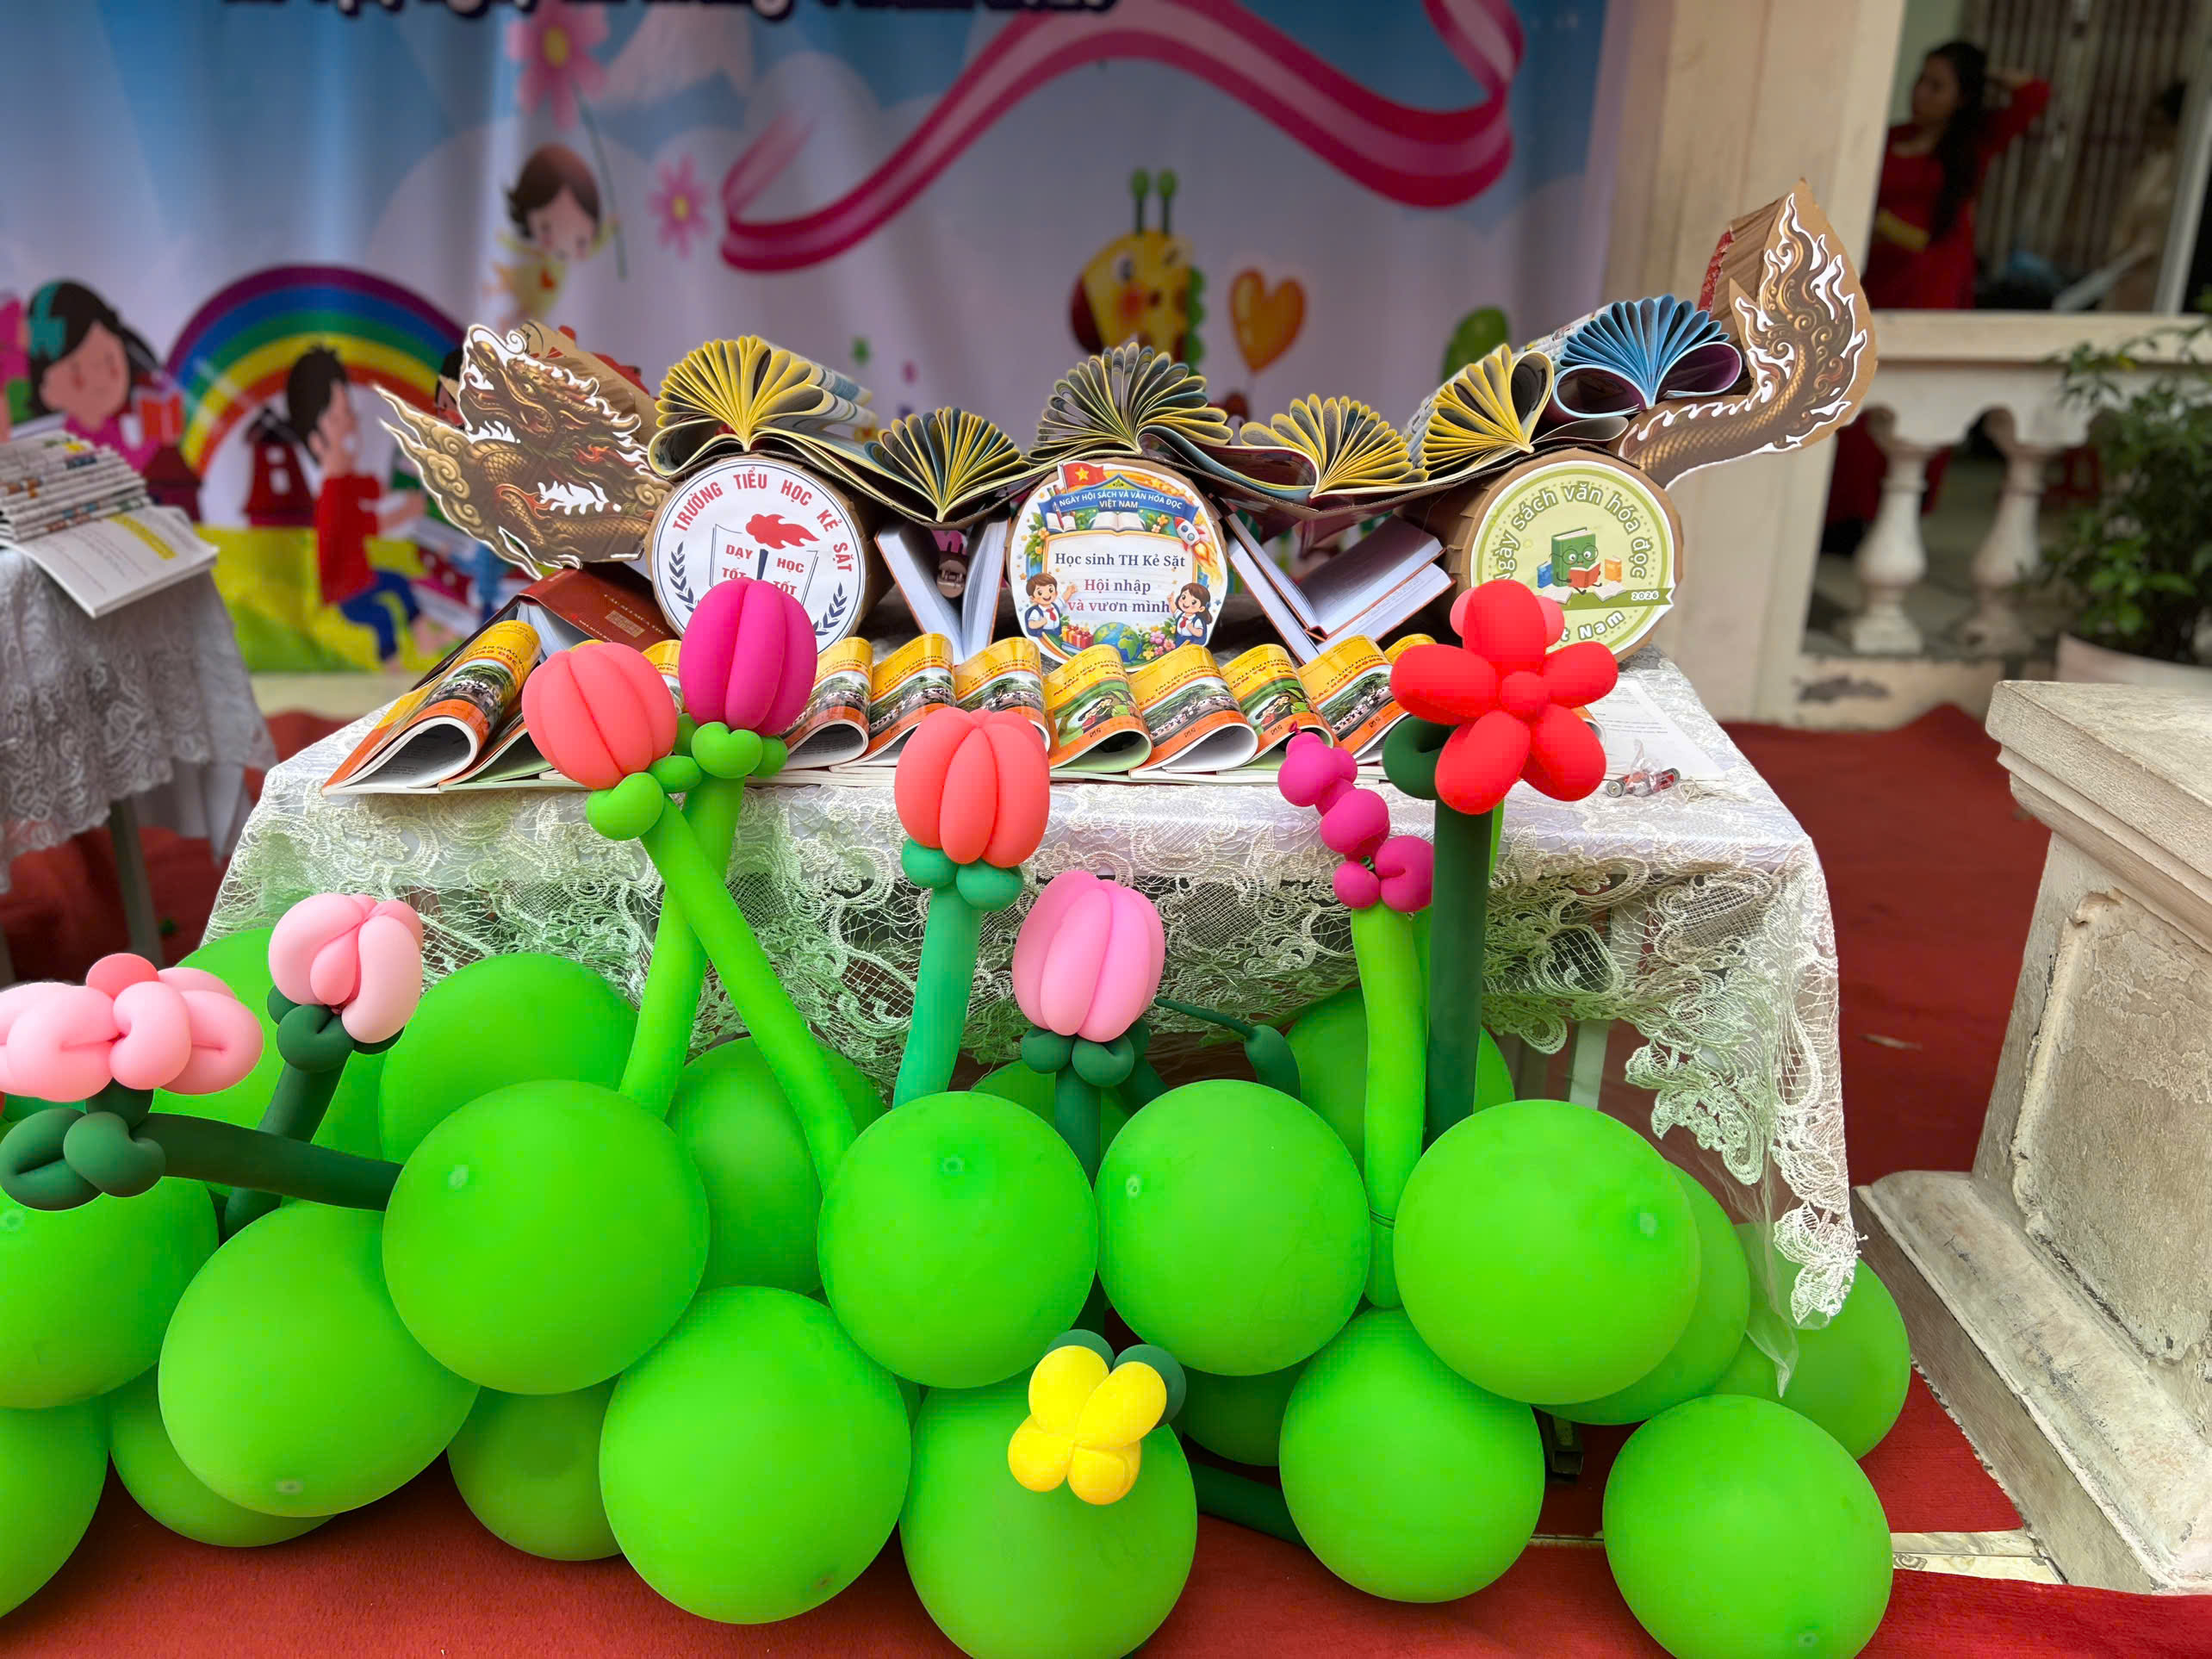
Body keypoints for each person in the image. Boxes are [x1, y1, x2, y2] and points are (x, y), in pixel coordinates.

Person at [1825, 43, 2052, 539]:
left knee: (1905, 399)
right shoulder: (1890, 138)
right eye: (1920, 81)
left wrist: (1984, 73)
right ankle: (1838, 515)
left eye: (1937, 86)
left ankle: (1878, 516)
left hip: (1929, 287)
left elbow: (2035, 93)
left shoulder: (1969, 146)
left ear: (1961, 98)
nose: (1921, 94)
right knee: (1850, 397)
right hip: (1873, 279)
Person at [287, 346, 434, 664]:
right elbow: (371, 525)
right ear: (316, 442)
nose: (350, 426)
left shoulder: (346, 482)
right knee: (382, 617)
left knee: (400, 585)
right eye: (337, 419)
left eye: (350, 414)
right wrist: (407, 511)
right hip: (347, 592)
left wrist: (411, 475)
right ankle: (393, 667)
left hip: (362, 578)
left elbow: (374, 488)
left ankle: (424, 640)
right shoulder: (332, 496)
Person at [490, 144, 606, 332]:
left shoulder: (567, 262)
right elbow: (520, 248)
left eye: (580, 239)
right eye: (545, 227)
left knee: (534, 316)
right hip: (534, 288)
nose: (552, 238)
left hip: (546, 297)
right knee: (525, 311)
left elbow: (598, 244)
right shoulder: (539, 255)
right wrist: (503, 240)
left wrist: (611, 227)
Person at [2100, 82, 2187, 313]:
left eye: (2164, 125)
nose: (2156, 133)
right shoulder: (2156, 165)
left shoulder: (2193, 177)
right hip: (2127, 273)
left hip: (2161, 277)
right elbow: (2128, 217)